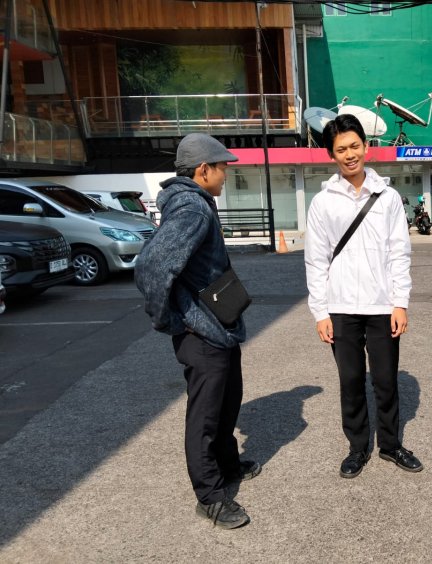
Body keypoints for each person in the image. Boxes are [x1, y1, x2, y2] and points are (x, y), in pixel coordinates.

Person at [135, 133, 261, 530]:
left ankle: (227, 466)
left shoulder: (196, 203)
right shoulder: (192, 208)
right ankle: (210, 497)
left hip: (218, 328)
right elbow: (151, 266)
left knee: (226, 404)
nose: (226, 174)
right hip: (201, 334)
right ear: (202, 170)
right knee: (205, 418)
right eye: (221, 167)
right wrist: (169, 320)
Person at [304, 114, 423, 479]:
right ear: (332, 155)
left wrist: (399, 302)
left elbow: (398, 252)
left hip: (380, 306)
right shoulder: (323, 203)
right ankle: (357, 447)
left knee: (385, 380)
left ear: (366, 147)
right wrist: (320, 312)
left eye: (355, 146)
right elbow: (316, 259)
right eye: (341, 149)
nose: (350, 154)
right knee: (351, 381)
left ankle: (390, 444)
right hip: (340, 309)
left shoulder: (387, 198)